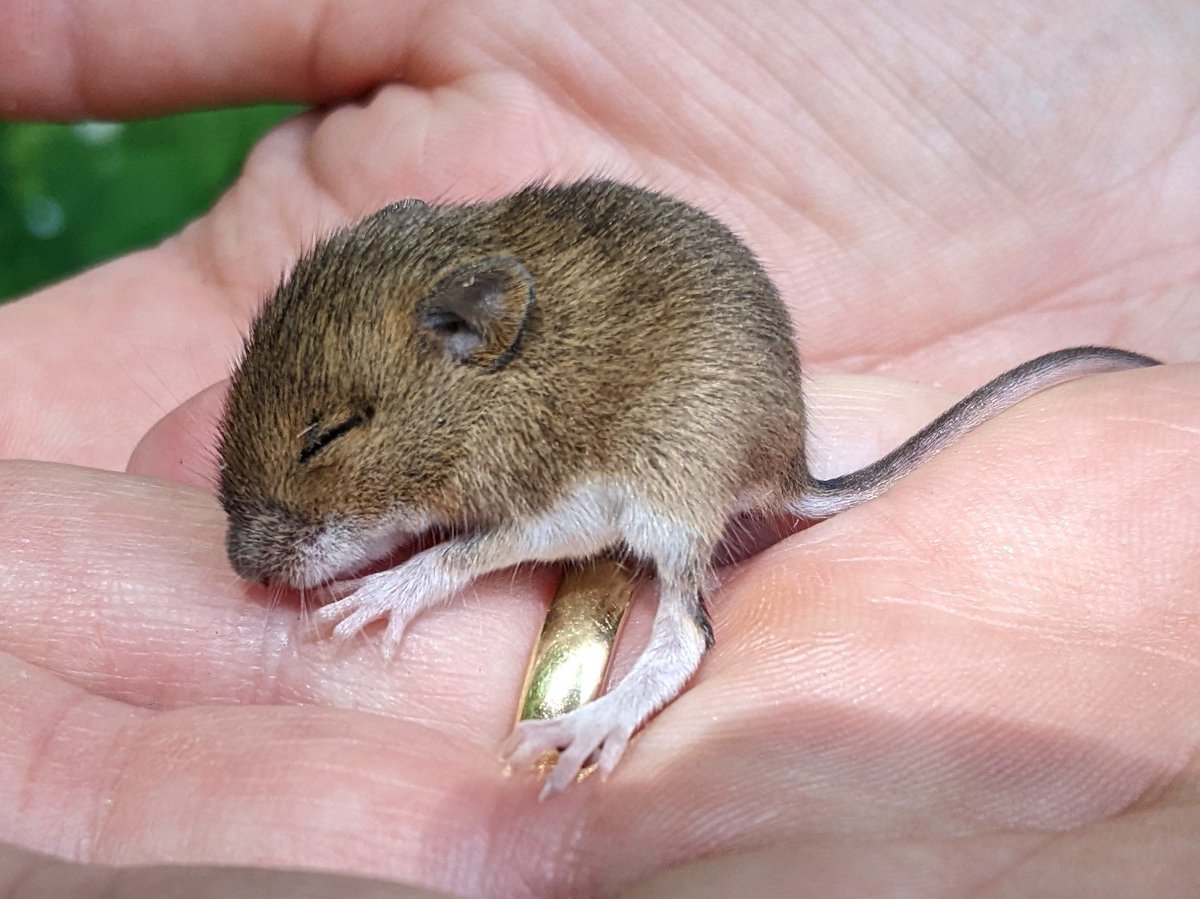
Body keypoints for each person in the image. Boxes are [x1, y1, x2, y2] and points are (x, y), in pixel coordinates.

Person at [1, 2, 1197, 895]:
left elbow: (565, 514)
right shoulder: (447, 366)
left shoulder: (521, 414)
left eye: (322, 445)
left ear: (474, 331)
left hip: (700, 430)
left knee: (654, 522)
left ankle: (670, 653)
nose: (268, 536)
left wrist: (435, 569)